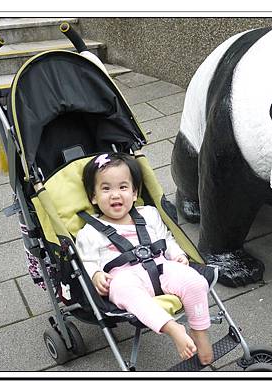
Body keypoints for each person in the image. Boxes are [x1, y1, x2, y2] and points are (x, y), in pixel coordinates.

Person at [75, 152, 214, 365]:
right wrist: (95, 275)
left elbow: (166, 238)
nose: (115, 195)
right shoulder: (89, 233)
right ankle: (172, 328)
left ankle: (199, 331)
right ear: (93, 197)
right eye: (106, 189)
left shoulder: (149, 214)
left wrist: (177, 254)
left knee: (194, 281)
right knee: (126, 291)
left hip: (161, 266)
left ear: (134, 192)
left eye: (123, 187)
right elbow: (86, 261)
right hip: (124, 277)